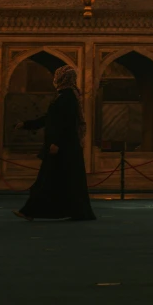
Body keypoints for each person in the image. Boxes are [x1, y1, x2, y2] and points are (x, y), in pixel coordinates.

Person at [13, 65, 96, 221]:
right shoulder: (63, 95)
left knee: (45, 180)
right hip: (63, 147)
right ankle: (73, 212)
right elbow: (50, 118)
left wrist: (56, 143)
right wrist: (26, 124)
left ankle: (29, 211)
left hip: (62, 147)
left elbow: (67, 123)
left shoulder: (68, 97)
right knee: (60, 181)